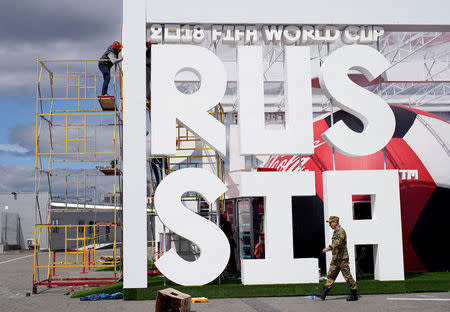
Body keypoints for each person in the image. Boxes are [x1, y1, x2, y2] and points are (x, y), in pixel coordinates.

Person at [314, 216, 358, 301]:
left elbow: (338, 243)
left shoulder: (341, 231)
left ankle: (354, 294)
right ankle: (323, 293)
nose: (330, 225)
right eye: (329, 223)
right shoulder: (336, 232)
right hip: (336, 259)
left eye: (331, 223)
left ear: (336, 222)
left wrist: (328, 248)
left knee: (347, 276)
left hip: (342, 259)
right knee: (331, 275)